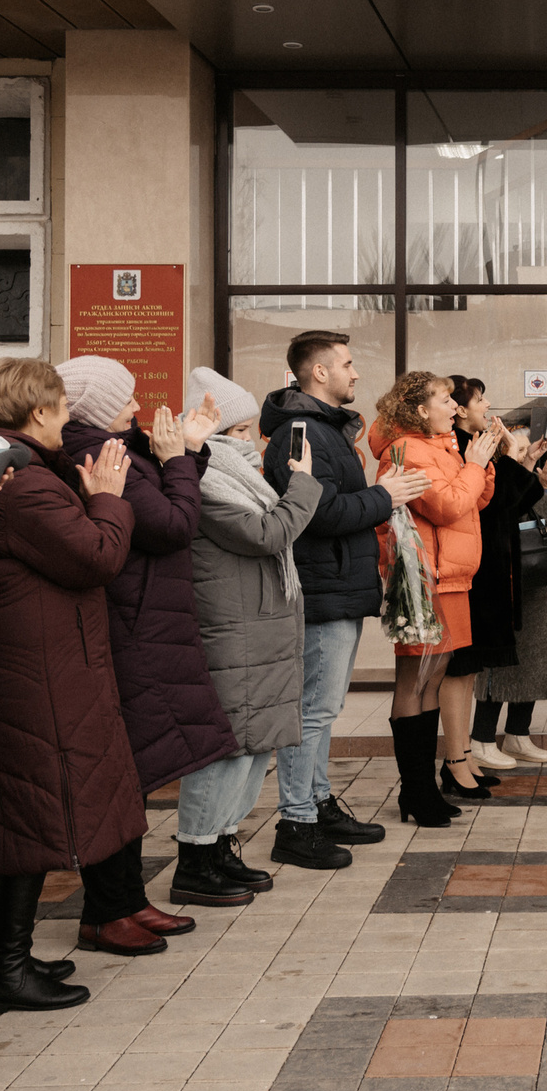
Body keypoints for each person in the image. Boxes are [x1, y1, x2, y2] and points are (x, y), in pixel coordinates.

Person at [0, 359, 139, 1016]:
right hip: (36, 668)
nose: (69, 419)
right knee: (28, 811)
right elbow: (96, 557)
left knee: (12, 808)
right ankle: (6, 968)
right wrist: (109, 497)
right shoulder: (23, 481)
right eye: (61, 408)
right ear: (36, 411)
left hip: (15, 658)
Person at [55, 357, 237, 945]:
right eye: (126, 399)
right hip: (133, 619)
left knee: (131, 767)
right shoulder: (97, 452)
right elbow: (170, 524)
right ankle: (108, 909)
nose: (137, 407)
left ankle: (126, 900)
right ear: (96, 409)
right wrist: (181, 457)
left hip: (144, 614)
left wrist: (184, 449)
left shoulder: (114, 445)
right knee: (120, 769)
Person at [259, 332, 427, 858]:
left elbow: (335, 500)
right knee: (313, 709)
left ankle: (318, 802)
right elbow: (314, 513)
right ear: (319, 373)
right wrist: (384, 496)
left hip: (339, 586)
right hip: (321, 587)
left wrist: (380, 491)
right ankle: (297, 823)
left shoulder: (326, 431)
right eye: (348, 365)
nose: (356, 374)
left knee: (324, 707)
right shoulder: (301, 432)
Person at [180, 367, 331, 869]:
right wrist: (305, 484)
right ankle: (197, 856)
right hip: (234, 630)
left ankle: (221, 844)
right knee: (227, 748)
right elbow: (268, 534)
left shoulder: (239, 476)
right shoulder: (204, 479)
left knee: (253, 746)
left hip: (258, 626)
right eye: (243, 431)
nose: (253, 442)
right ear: (217, 434)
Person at [368, 372, 500, 820]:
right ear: (421, 411)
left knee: (434, 676)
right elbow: (445, 505)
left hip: (451, 575)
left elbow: (473, 502)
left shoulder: (441, 444)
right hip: (424, 579)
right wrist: (474, 464)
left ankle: (422, 790)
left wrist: (482, 459)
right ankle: (416, 791)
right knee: (416, 678)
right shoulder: (408, 449)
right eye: (445, 399)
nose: (453, 407)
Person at [443, 378, 547, 775]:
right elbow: (487, 503)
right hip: (476, 563)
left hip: (490, 558)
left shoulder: (477, 448)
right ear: (460, 409)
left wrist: (523, 464)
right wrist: (509, 460)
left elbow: (510, 502)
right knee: (470, 662)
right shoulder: (462, 448)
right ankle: (473, 745)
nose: (488, 405)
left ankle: (474, 749)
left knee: (478, 661)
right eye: (480, 399)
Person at [473, 455, 547, 763]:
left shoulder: (526, 484)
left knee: (534, 663)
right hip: (507, 587)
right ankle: (482, 738)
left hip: (538, 588)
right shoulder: (491, 477)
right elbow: (513, 519)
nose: (533, 458)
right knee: (500, 666)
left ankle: (518, 734)